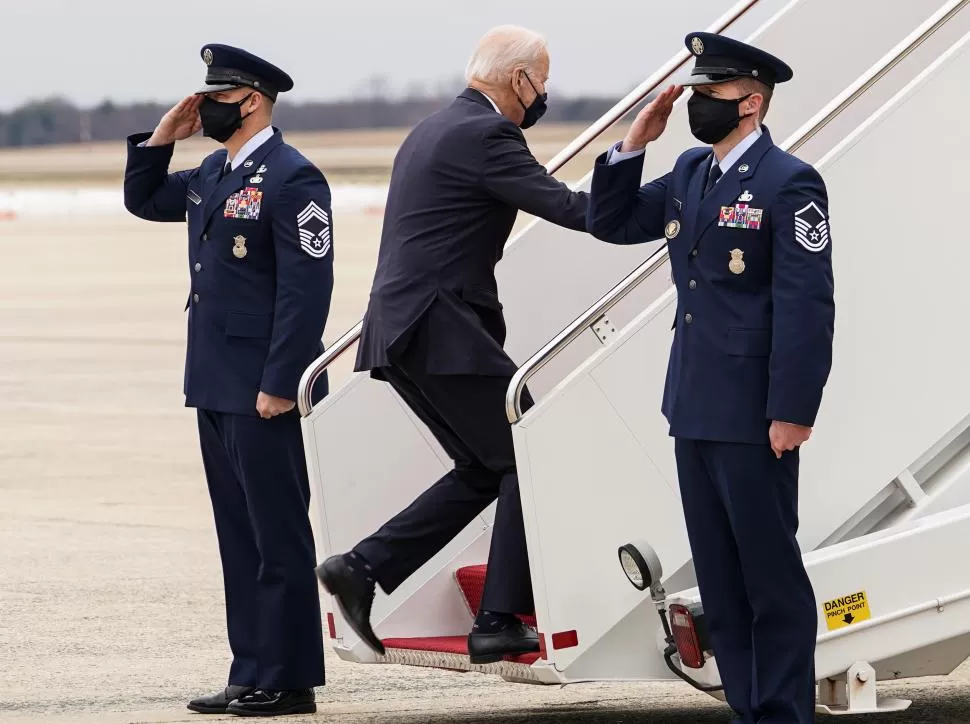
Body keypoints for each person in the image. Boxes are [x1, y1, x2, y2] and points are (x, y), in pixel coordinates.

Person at [315, 24, 588, 665]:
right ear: (519, 79)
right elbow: (568, 208)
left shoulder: (433, 127)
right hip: (439, 328)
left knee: (485, 466)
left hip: (403, 328)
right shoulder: (488, 133)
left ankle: (364, 567)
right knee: (529, 444)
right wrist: (659, 194)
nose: (543, 93)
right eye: (542, 81)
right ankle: (497, 619)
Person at [586, 32, 834, 724]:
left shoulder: (790, 182)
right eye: (695, 93)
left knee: (769, 577)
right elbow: (610, 220)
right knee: (722, 582)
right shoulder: (694, 171)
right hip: (693, 403)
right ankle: (750, 709)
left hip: (755, 411)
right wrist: (635, 143)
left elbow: (806, 305)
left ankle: (783, 712)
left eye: (711, 94)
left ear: (751, 103)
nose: (698, 104)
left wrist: (793, 408)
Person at [123, 44, 333, 717]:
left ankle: (289, 677)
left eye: (218, 95)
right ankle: (251, 670)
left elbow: (307, 291)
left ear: (253, 100)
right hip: (214, 380)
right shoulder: (215, 171)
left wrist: (280, 381)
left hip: (263, 387)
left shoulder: (294, 178)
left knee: (278, 537)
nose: (205, 105)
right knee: (238, 538)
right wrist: (162, 138)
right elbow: (146, 199)